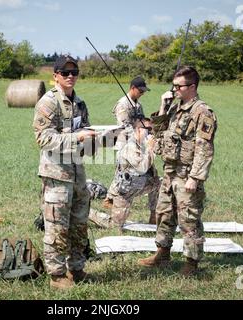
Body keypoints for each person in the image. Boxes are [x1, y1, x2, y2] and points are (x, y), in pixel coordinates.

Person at [137, 66, 217, 277]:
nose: (174, 90)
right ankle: (162, 253)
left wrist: (195, 178)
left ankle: (192, 262)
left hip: (186, 174)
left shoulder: (202, 112)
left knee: (189, 219)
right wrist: (163, 106)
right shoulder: (174, 107)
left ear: (192, 86)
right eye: (173, 86)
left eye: (178, 86)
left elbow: (204, 148)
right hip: (170, 171)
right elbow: (159, 132)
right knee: (164, 214)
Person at [32, 54, 98, 289]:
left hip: (78, 173)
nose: (70, 76)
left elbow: (86, 134)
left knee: (79, 224)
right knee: (57, 225)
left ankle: (77, 269)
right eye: (65, 73)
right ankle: (57, 275)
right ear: (55, 76)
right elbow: (43, 138)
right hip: (56, 174)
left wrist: (102, 139)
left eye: (74, 73)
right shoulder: (48, 103)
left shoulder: (80, 103)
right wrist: (76, 137)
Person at [89, 118, 160, 229]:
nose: (151, 133)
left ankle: (154, 216)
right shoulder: (130, 147)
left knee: (159, 184)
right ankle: (88, 212)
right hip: (124, 192)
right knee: (114, 226)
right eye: (148, 129)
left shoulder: (142, 145)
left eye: (151, 130)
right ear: (138, 130)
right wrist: (150, 149)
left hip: (139, 186)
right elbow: (142, 168)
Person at [103, 76, 155, 223]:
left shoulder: (138, 105)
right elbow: (123, 126)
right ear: (132, 88)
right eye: (140, 90)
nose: (142, 93)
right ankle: (111, 198)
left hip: (138, 142)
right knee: (122, 173)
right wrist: (139, 135)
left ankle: (111, 198)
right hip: (125, 143)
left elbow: (141, 121)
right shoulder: (123, 104)